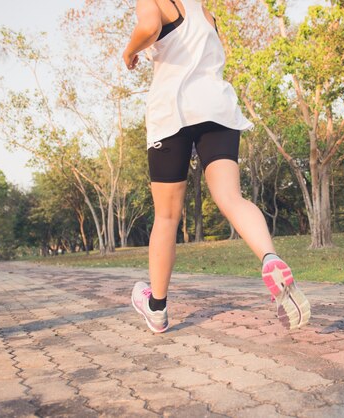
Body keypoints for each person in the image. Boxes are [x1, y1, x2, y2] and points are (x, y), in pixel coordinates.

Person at [123, 0, 310, 333]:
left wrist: (129, 52)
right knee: (231, 198)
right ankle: (270, 258)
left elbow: (149, 27)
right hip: (217, 110)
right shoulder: (208, 15)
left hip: (173, 115)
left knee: (166, 216)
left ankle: (157, 308)